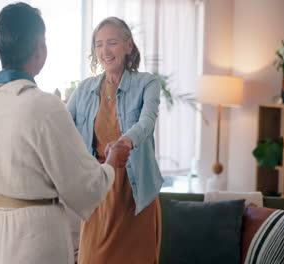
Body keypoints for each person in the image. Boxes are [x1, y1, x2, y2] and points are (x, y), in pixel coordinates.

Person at [0, 4, 131, 264]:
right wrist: (111, 162)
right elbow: (85, 188)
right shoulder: (44, 105)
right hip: (32, 239)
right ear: (40, 48)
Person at [67, 17, 164, 264]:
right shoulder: (84, 89)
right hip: (99, 190)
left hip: (136, 193)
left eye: (112, 43)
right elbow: (63, 127)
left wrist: (125, 142)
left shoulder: (147, 83)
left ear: (128, 45)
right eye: (99, 45)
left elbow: (147, 122)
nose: (104, 51)